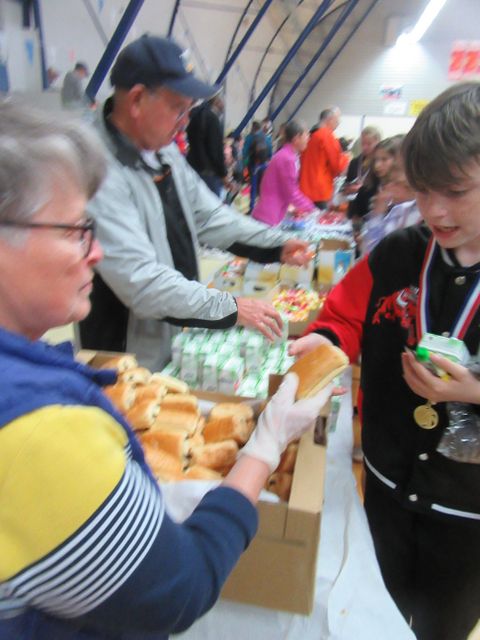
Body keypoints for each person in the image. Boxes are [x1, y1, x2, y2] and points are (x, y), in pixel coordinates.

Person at [0, 100, 332, 640]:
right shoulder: (37, 429)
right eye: (76, 230)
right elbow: (181, 588)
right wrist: (265, 448)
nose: (97, 252)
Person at [290, 81, 480, 640]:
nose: (434, 210)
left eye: (455, 192)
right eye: (423, 191)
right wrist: (326, 342)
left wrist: (472, 390)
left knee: (445, 626)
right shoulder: (398, 253)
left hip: (469, 513)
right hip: (386, 481)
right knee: (376, 613)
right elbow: (344, 315)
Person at [78, 35, 311, 372]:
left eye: (189, 109)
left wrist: (277, 244)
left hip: (171, 328)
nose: (185, 121)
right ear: (137, 99)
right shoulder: (97, 168)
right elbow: (141, 282)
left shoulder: (163, 151)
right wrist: (230, 307)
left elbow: (210, 216)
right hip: (125, 353)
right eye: (178, 108)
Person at [251, 120, 315, 226]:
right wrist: (311, 208)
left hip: (269, 212)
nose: (308, 138)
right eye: (306, 135)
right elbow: (291, 192)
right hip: (269, 216)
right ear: (296, 138)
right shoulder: (287, 158)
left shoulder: (286, 155)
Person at [299, 107, 349, 209]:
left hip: (303, 189)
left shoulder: (309, 135)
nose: (338, 124)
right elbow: (338, 166)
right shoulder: (327, 136)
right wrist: (346, 157)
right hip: (319, 192)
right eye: (337, 121)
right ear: (330, 120)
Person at [186, 93, 228, 196]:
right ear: (217, 102)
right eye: (222, 102)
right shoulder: (213, 119)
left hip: (192, 167)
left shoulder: (195, 115)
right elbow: (216, 150)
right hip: (209, 173)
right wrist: (223, 174)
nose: (224, 105)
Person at [343, 125, 382, 196]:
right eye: (363, 143)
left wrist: (360, 189)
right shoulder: (354, 162)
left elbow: (380, 189)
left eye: (369, 144)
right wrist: (347, 188)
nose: (364, 147)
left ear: (378, 142)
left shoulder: (381, 165)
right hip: (354, 201)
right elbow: (347, 183)